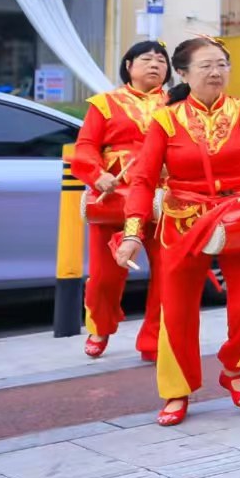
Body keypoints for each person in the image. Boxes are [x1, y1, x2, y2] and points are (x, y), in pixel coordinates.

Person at [116, 38, 240, 426]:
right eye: (205, 66)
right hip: (181, 221)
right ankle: (177, 391)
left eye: (222, 64)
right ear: (183, 73)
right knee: (179, 312)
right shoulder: (166, 120)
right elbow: (142, 180)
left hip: (236, 219)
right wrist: (134, 232)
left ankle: (233, 368)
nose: (216, 72)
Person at [72, 41, 171, 360]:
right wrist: (95, 173)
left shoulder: (177, 104)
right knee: (104, 276)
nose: (155, 64)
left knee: (167, 274)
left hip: (163, 197)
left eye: (161, 60)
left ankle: (152, 340)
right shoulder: (104, 104)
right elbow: (85, 147)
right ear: (128, 65)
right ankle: (100, 325)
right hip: (114, 196)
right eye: (146, 59)